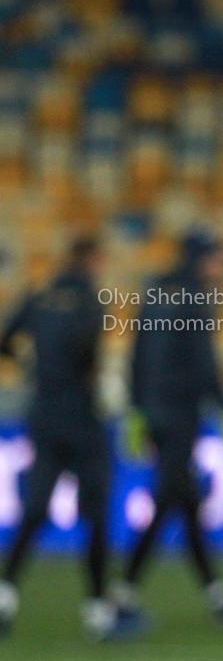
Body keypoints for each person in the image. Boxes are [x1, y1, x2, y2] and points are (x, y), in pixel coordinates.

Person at [112, 230, 223, 628]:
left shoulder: (156, 292)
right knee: (169, 500)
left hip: (154, 414)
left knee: (184, 501)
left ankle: (218, 597)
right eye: (218, 259)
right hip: (180, 415)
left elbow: (137, 354)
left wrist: (136, 411)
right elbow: (203, 360)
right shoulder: (195, 297)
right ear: (201, 259)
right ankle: (122, 593)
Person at [0, 237, 140, 640]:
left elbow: (5, 340)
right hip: (82, 419)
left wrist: (34, 366)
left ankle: (5, 597)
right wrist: (102, 385)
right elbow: (85, 354)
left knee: (34, 511)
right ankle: (98, 610)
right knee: (95, 515)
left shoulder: (39, 297)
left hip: (44, 416)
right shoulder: (91, 303)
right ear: (92, 261)